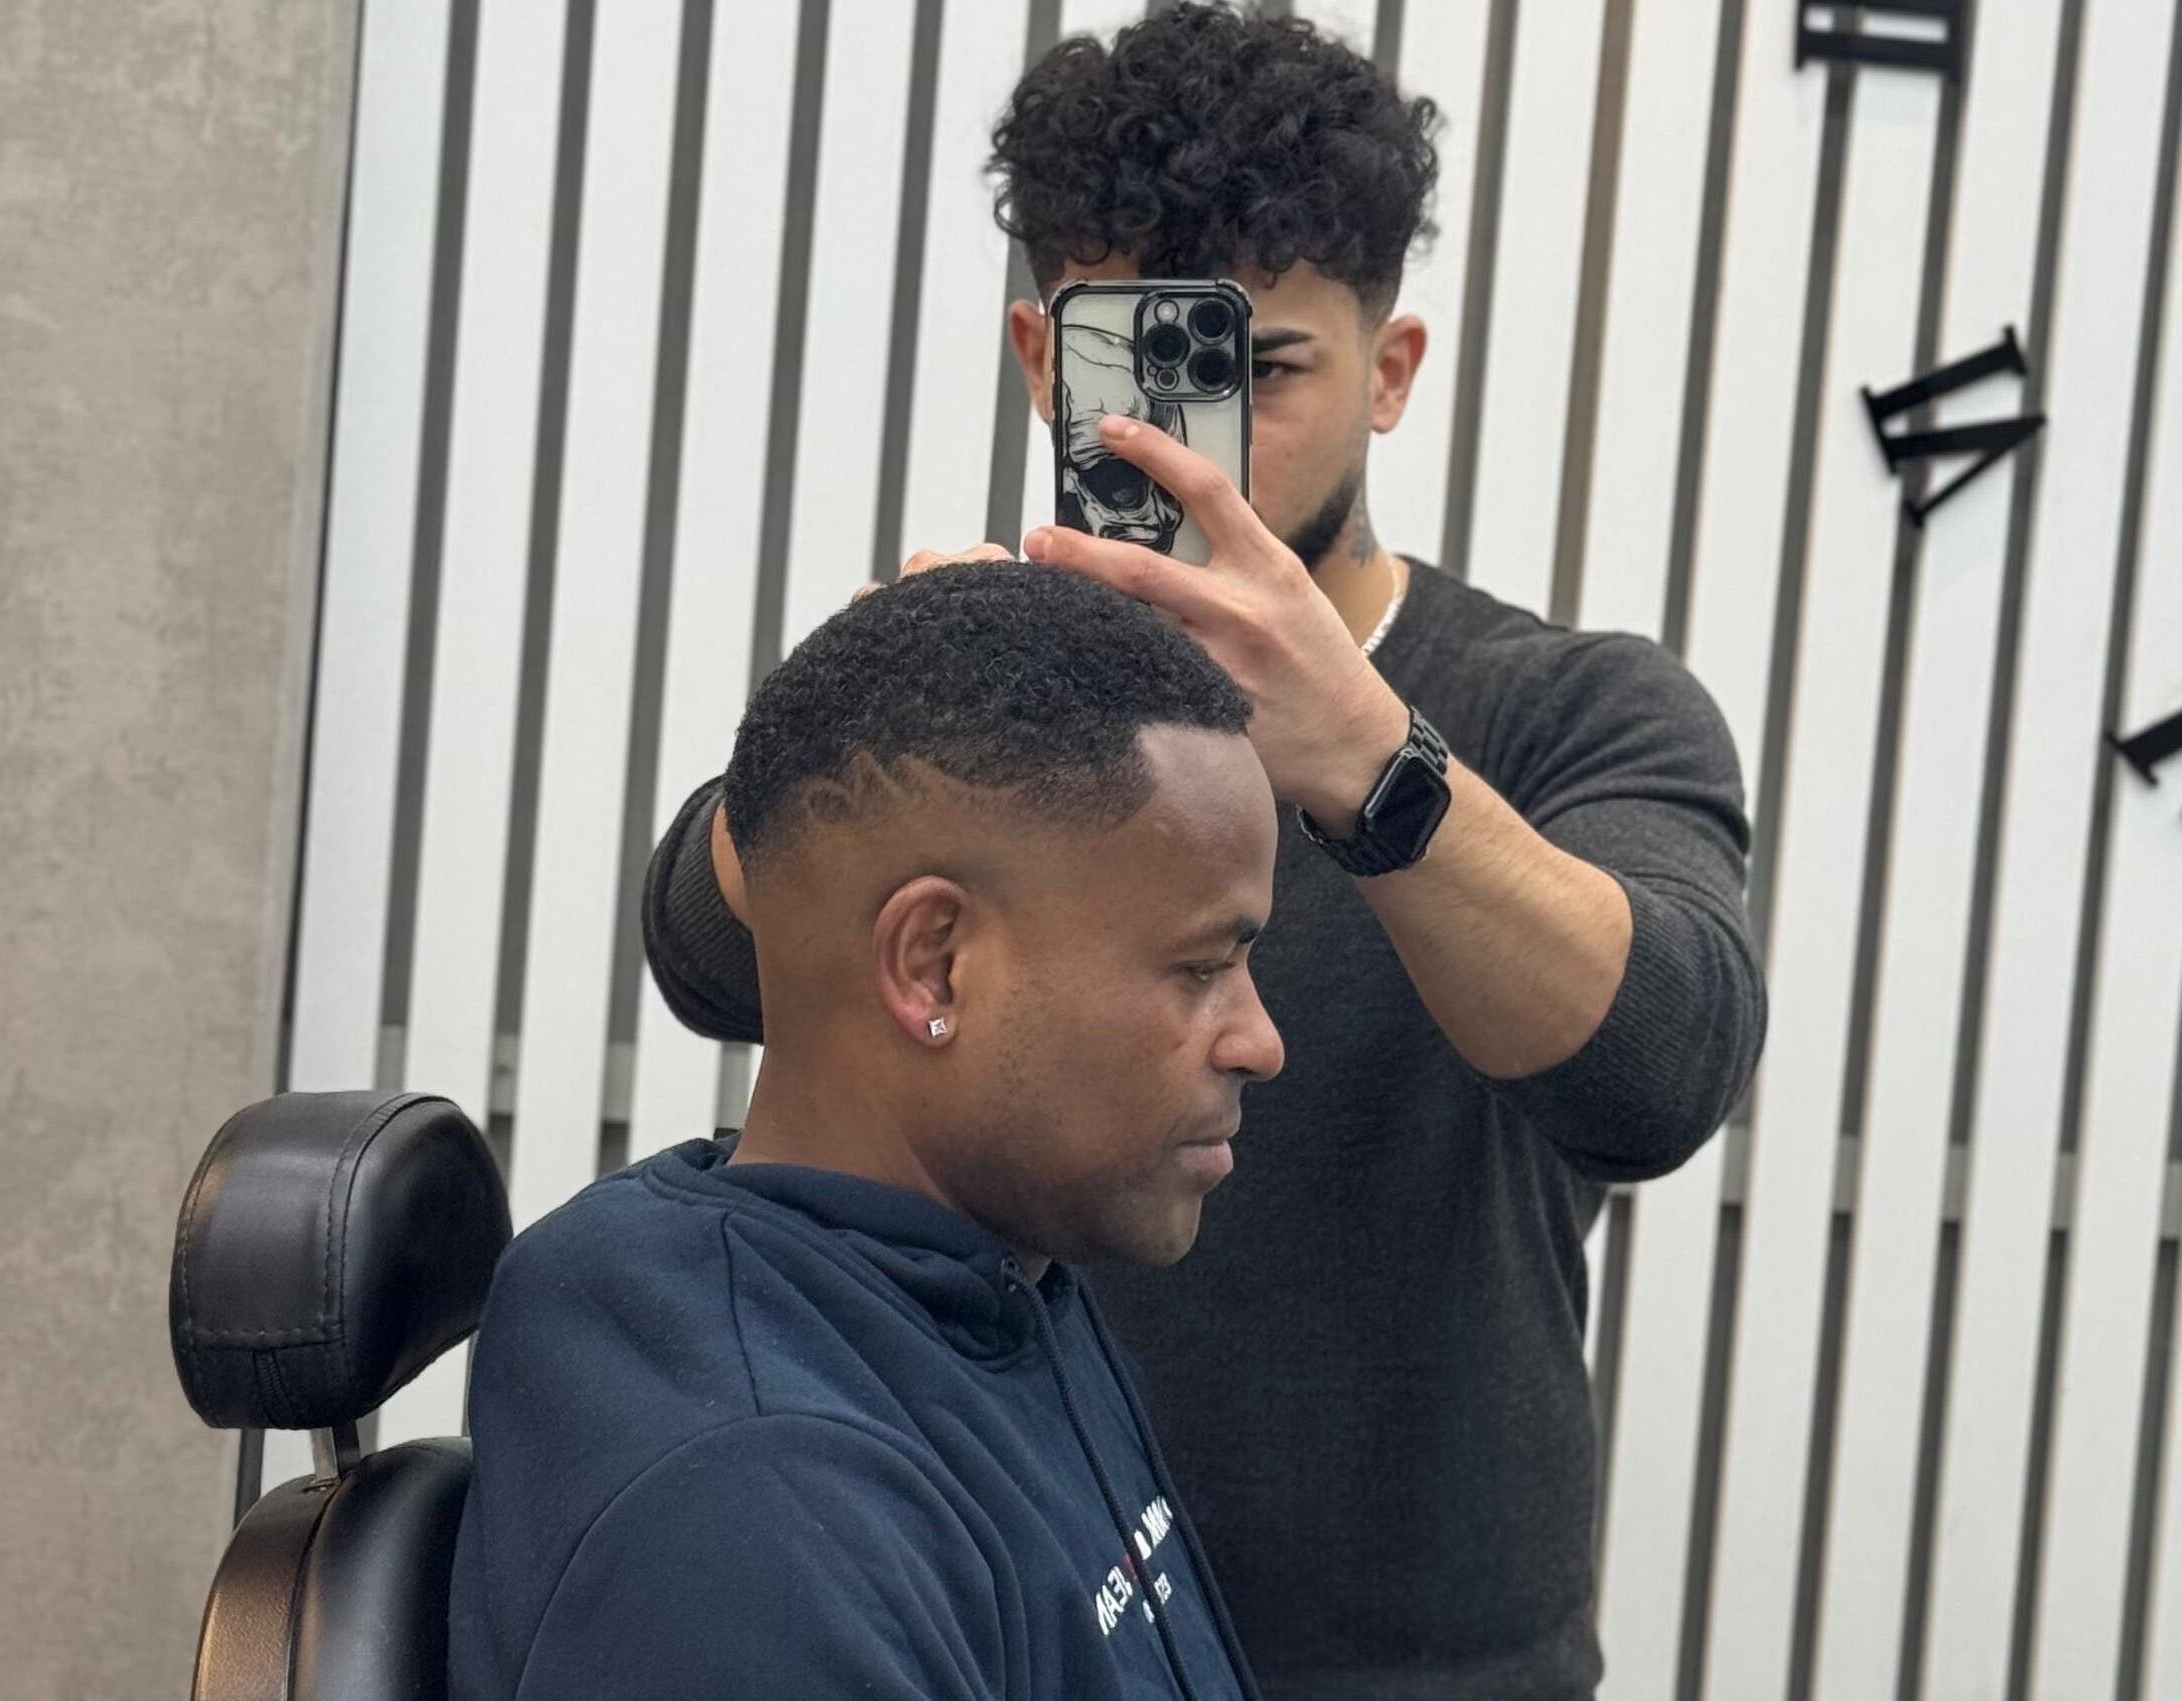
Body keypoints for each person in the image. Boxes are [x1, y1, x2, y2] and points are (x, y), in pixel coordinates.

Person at [644, 8, 1768, 1696]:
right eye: (1151, 368)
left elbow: (1664, 1063)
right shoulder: (973, 704)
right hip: (994, 1627)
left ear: (1391, 370)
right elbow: (704, 954)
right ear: (1043, 361)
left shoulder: (1564, 708)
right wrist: (856, 736)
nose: (1203, 436)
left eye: (1275, 369)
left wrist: (1374, 766)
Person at [451, 564, 1283, 1699]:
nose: (1258, 1039)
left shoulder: (996, 1278)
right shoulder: (756, 1524)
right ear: (933, 964)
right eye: (1203, 967)